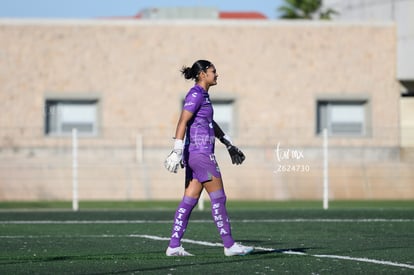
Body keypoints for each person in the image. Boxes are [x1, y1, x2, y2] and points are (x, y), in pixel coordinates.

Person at [164, 60, 254, 257]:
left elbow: (209, 122)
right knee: (219, 198)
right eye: (213, 71)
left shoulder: (203, 96)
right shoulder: (196, 94)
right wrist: (176, 150)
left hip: (196, 154)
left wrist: (228, 142)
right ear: (203, 74)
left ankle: (174, 245)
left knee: (190, 199)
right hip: (201, 153)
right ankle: (229, 245)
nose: (217, 74)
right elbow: (182, 121)